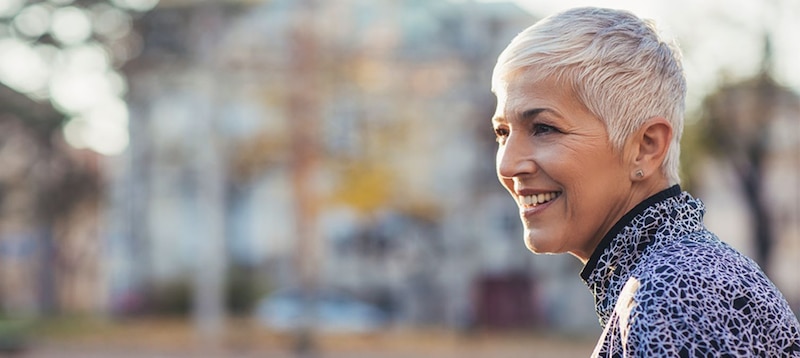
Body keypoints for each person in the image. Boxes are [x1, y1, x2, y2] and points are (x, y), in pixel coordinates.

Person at [490, 6, 800, 357]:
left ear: (646, 147)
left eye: (544, 128)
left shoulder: (676, 293)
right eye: (502, 132)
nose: (508, 163)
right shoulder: (672, 278)